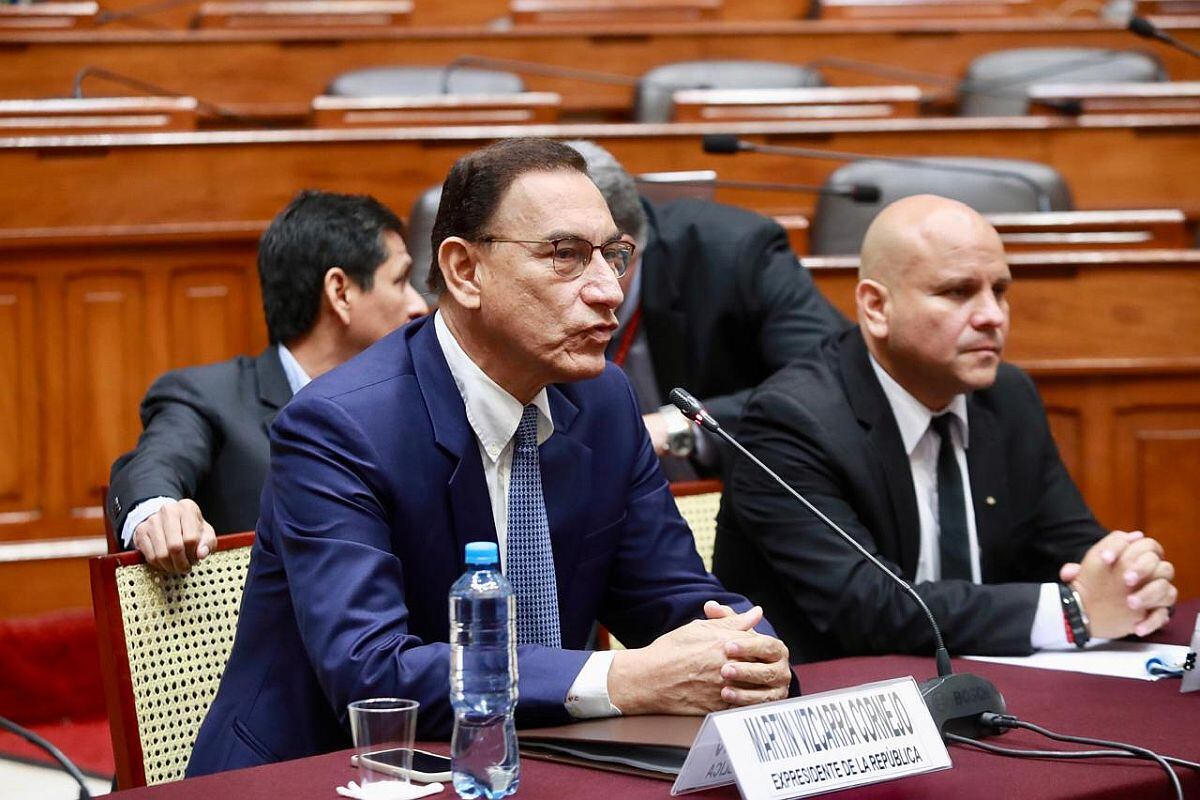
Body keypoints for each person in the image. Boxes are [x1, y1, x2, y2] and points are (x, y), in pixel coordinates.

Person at [186, 138, 794, 777]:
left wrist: (744, 653)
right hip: (330, 774)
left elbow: (674, 599)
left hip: (536, 766)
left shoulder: (604, 401)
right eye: (565, 256)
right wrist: (623, 677)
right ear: (465, 271)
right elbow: (371, 672)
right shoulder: (339, 427)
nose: (608, 290)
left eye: (614, 257)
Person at [714, 194, 1177, 662]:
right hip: (836, 700)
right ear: (876, 306)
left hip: (985, 685)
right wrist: (1072, 613)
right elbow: (871, 607)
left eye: (999, 290)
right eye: (958, 292)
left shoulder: (1007, 397)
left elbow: (1067, 543)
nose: (992, 315)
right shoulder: (791, 421)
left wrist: (1131, 578)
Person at [106, 190, 429, 573]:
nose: (419, 305)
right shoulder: (209, 398)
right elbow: (155, 463)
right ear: (340, 292)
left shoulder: (416, 401)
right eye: (401, 280)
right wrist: (158, 513)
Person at [566, 141, 847, 479]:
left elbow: (830, 382)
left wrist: (678, 427)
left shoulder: (734, 253)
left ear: (619, 252)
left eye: (566, 257)